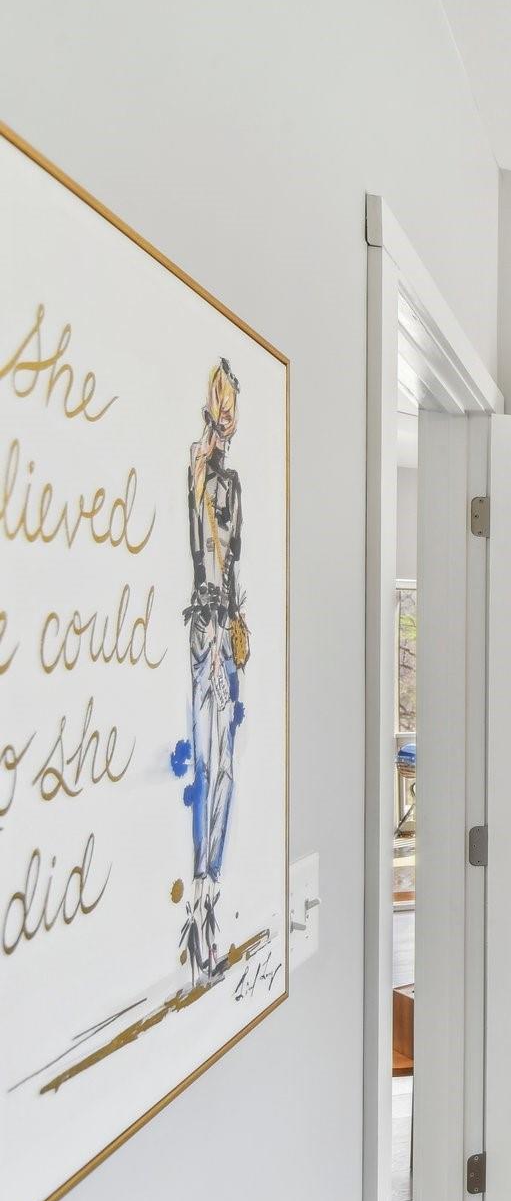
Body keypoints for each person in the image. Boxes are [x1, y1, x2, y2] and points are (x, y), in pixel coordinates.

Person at [179, 359, 248, 986]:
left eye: (232, 411)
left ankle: (207, 894)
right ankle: (200, 904)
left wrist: (239, 624)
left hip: (223, 630)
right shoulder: (200, 471)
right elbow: (208, 554)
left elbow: (233, 565)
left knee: (223, 765)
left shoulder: (229, 485)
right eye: (222, 408)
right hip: (205, 629)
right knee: (207, 765)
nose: (227, 421)